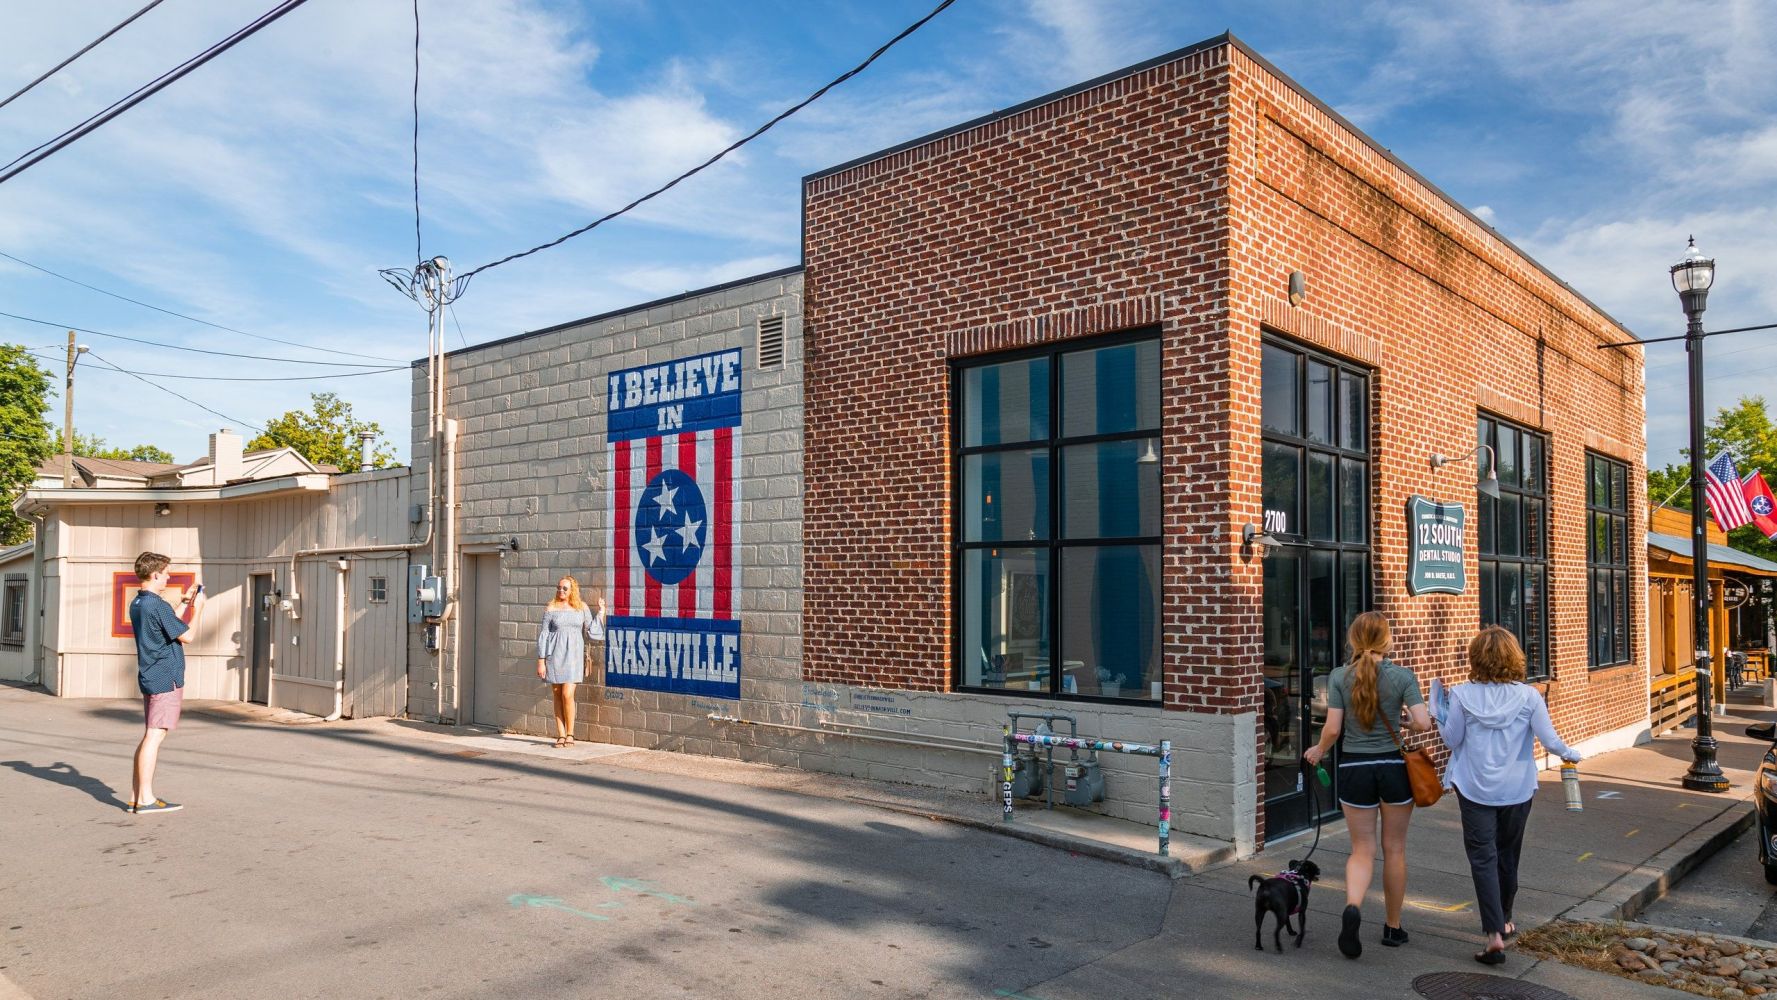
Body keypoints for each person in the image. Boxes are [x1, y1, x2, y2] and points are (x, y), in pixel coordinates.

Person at [1440, 625, 1581, 965]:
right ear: (1514, 657)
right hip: (1517, 788)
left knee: (1483, 858)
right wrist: (1571, 754)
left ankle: (1493, 935)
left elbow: (1451, 740)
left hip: (1474, 788)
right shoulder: (1529, 696)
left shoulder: (1460, 694)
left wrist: (1439, 715)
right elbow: (1549, 741)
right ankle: (1504, 918)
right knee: (1508, 854)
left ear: (1476, 658)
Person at [1302, 611, 1431, 959]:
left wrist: (1318, 749)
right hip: (1392, 768)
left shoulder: (1339, 676)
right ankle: (1392, 926)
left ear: (1353, 640)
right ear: (1386, 641)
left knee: (1361, 849)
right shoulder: (1403, 676)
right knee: (1395, 849)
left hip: (1356, 768)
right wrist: (1401, 720)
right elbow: (1423, 722)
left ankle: (1354, 907)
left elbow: (1332, 729)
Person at [128, 551, 204, 815]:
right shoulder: (156, 604)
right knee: (154, 735)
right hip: (165, 676)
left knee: (150, 733)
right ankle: (146, 800)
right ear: (156, 574)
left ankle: (136, 796)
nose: (169, 577)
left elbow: (167, 627)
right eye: (167, 572)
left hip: (150, 674)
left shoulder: (140, 602)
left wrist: (184, 603)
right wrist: (199, 607)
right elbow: (188, 636)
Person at [536, 576, 605, 748]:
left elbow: (591, 630)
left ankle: (570, 734)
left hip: (574, 657)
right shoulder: (551, 608)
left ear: (572, 589)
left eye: (565, 588)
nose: (561, 591)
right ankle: (560, 734)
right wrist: (541, 660)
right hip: (554, 657)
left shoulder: (581, 607)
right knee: (557, 694)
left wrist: (602, 612)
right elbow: (544, 636)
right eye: (559, 587)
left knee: (568, 694)